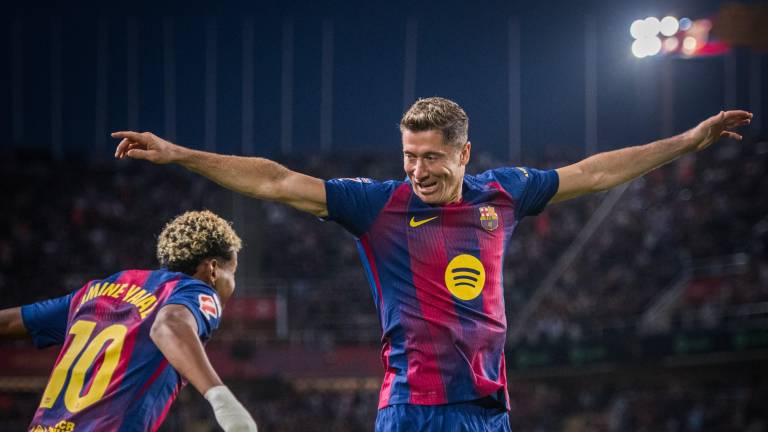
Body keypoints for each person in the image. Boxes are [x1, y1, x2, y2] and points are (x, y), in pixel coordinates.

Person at [112, 97, 752, 431]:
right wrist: (180, 153)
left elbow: (595, 172)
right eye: (409, 156)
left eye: (431, 157)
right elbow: (276, 181)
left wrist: (687, 140)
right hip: (411, 407)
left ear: (464, 153)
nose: (417, 170)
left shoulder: (504, 193)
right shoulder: (376, 205)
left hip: (487, 407)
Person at [0, 210, 258, 432]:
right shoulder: (196, 291)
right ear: (213, 269)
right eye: (232, 273)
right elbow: (168, 325)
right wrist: (222, 400)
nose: (232, 284)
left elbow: (7, 323)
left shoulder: (95, 291)